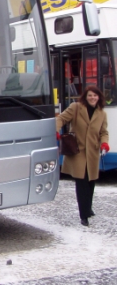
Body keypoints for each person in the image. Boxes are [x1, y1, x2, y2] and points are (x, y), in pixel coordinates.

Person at [56, 86, 109, 227]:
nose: (92, 98)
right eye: (90, 95)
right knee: (82, 182)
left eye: (95, 96)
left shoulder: (102, 113)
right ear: (86, 96)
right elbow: (61, 119)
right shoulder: (76, 107)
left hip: (92, 152)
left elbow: (104, 132)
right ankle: (83, 215)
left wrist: (104, 144)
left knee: (91, 181)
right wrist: (56, 130)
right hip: (77, 151)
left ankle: (88, 208)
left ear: (99, 97)